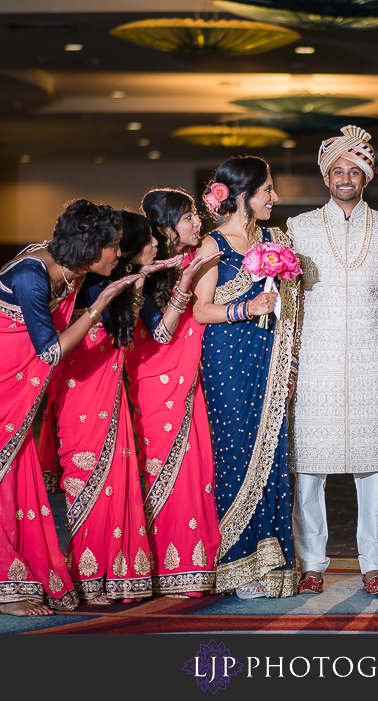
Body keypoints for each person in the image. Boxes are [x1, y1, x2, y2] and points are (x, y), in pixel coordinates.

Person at [0, 199, 138, 616]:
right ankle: (0, 588)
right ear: (88, 249)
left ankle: (18, 571)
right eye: (114, 246)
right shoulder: (33, 276)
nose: (119, 254)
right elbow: (50, 352)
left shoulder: (67, 266)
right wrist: (101, 306)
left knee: (12, 465)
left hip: (5, 365)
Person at [286, 126, 378, 596]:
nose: (345, 178)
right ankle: (312, 562)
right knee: (308, 467)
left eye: (354, 170)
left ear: (366, 176)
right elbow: (287, 298)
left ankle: (374, 563)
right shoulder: (299, 227)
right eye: (337, 170)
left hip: (373, 356)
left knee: (373, 466)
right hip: (315, 355)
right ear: (326, 176)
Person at [36, 209, 159, 604]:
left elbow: (141, 333)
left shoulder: (115, 283)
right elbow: (66, 343)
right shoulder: (88, 286)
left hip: (107, 392)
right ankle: (88, 575)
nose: (156, 245)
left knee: (116, 484)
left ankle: (119, 573)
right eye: (148, 240)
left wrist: (142, 285)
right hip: (79, 390)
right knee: (86, 480)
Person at [192, 157, 300, 599]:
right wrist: (244, 308)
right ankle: (238, 565)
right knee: (236, 453)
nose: (274, 197)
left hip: (271, 356)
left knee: (274, 453)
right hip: (228, 359)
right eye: (266, 190)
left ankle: (273, 564)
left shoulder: (278, 239)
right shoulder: (212, 245)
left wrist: (291, 362)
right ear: (241, 196)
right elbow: (200, 309)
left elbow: (292, 306)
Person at [125, 188, 222, 597]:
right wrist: (184, 281)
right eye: (186, 219)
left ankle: (191, 565)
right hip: (156, 377)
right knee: (163, 467)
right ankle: (161, 564)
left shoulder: (198, 256)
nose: (196, 223)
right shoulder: (148, 272)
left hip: (189, 378)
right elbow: (162, 332)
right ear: (164, 228)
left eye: (196, 216)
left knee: (195, 468)